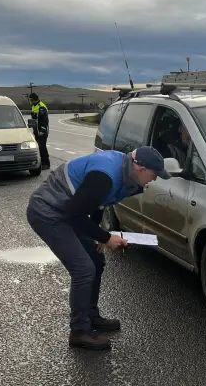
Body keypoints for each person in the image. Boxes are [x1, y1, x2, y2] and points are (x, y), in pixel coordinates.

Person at [26, 146, 171, 350]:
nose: (154, 180)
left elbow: (96, 205)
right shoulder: (105, 175)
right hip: (48, 213)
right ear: (141, 168)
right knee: (84, 269)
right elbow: (75, 214)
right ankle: (79, 331)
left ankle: (91, 316)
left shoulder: (124, 172)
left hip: (69, 211)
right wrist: (105, 237)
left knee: (95, 259)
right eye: (154, 175)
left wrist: (98, 238)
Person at [29, 93, 50, 170]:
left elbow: (45, 120)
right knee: (39, 147)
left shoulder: (41, 107)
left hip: (41, 131)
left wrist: (42, 130)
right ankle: (42, 163)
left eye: (31, 100)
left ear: (34, 99)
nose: (30, 102)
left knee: (42, 147)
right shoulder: (34, 106)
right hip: (36, 130)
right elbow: (35, 118)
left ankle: (46, 164)